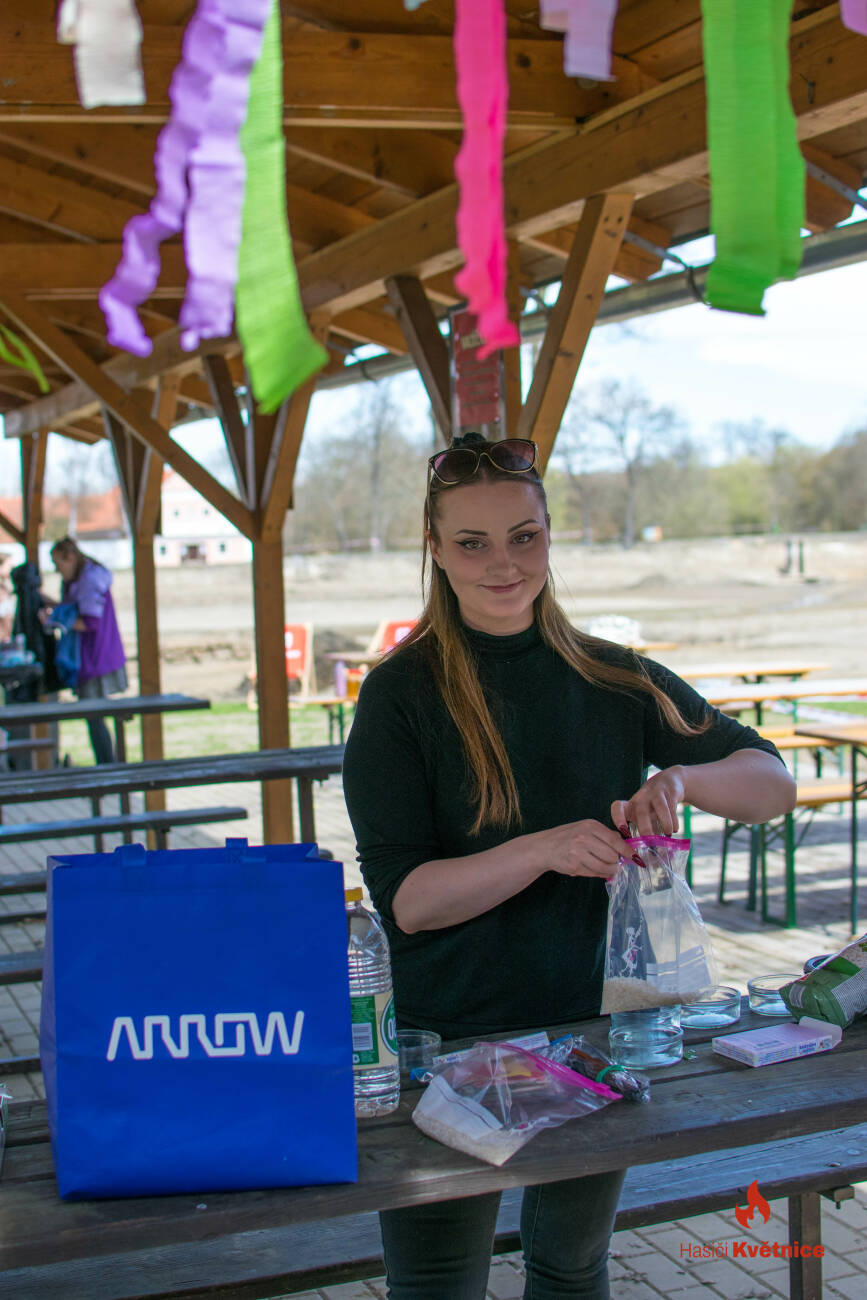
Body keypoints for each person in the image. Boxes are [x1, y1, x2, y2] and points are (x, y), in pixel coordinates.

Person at [342, 433, 796, 1300]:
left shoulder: (613, 675)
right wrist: (541, 849)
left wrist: (682, 778)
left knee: (570, 1268)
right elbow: (409, 902)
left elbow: (771, 782)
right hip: (450, 1044)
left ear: (550, 535)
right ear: (434, 550)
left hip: (590, 1035)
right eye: (472, 542)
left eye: (524, 536)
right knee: (437, 1282)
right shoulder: (400, 694)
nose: (503, 563)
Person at [41, 538, 127, 764]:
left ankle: (107, 767)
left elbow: (89, 622)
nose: (57, 570)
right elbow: (73, 610)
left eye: (58, 564)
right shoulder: (81, 579)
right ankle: (107, 766)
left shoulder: (89, 580)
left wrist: (54, 620)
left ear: (70, 558)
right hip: (91, 657)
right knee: (95, 716)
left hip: (95, 658)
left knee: (94, 716)